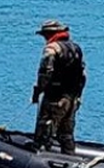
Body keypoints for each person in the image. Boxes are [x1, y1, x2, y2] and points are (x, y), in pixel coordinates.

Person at [31, 19, 86, 154]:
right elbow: (83, 75)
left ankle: (41, 155)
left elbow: (45, 72)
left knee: (46, 128)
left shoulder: (51, 49)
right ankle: (69, 155)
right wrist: (78, 95)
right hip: (72, 96)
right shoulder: (76, 48)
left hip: (55, 96)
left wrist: (38, 92)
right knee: (66, 132)